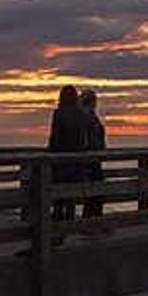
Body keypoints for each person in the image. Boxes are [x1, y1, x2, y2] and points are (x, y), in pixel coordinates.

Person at [47, 85, 91, 220]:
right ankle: (69, 223)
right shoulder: (81, 115)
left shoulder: (58, 113)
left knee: (58, 196)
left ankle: (57, 223)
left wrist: (51, 156)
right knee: (71, 197)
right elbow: (83, 140)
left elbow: (54, 139)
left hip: (60, 161)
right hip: (76, 162)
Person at [80, 89, 107, 218]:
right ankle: (93, 219)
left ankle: (90, 219)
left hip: (89, 160)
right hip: (91, 161)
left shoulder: (85, 116)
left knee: (93, 194)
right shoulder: (89, 117)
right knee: (95, 193)